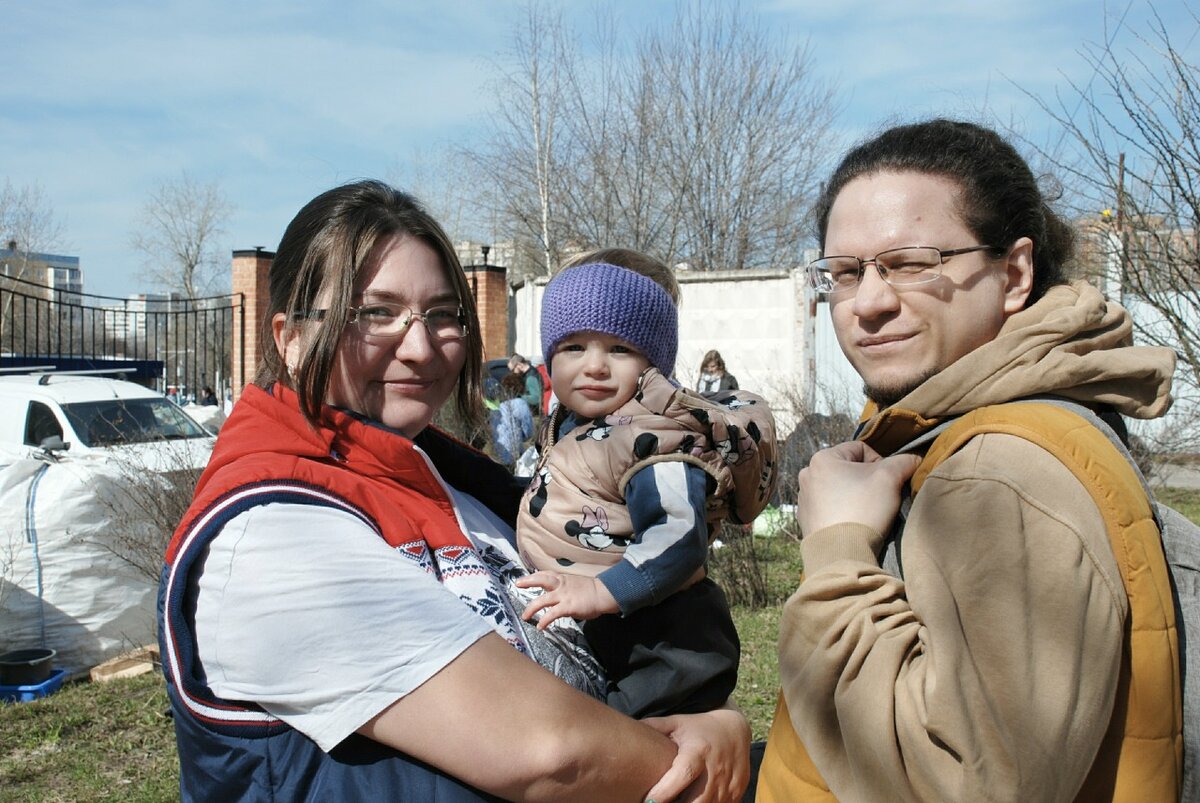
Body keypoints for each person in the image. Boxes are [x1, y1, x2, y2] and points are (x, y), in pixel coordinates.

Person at [158, 180, 751, 802]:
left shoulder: (453, 483)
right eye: (375, 312)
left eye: (443, 315)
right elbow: (551, 753)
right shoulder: (269, 537)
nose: (419, 347)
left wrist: (711, 718)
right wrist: (692, 758)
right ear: (290, 337)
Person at [757, 119, 1180, 802]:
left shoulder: (998, 478)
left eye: (914, 263)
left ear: (1014, 273)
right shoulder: (948, 430)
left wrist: (837, 548)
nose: (868, 302)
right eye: (843, 272)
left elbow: (967, 786)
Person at [515, 250, 778, 720]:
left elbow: (679, 534)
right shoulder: (575, 423)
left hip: (667, 645)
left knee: (613, 744)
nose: (594, 365)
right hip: (617, 630)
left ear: (654, 364)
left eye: (619, 349)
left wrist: (598, 593)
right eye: (574, 346)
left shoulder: (652, 440)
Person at [490, 371, 534, 467]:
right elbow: (528, 430)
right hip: (514, 452)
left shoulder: (498, 408)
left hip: (498, 454)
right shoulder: (520, 403)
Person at [507, 353, 545, 417]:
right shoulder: (529, 373)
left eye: (513, 370)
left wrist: (519, 397)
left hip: (535, 415)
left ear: (519, 365)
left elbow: (536, 398)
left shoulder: (530, 377)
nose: (512, 372)